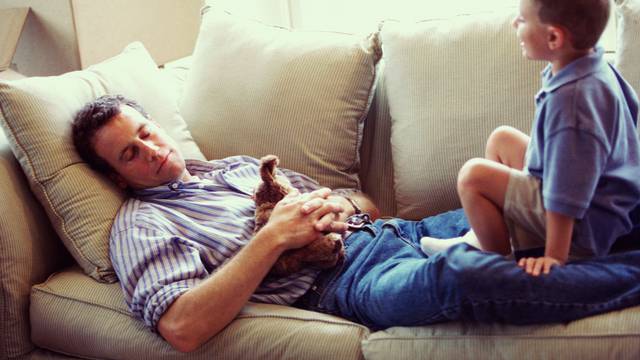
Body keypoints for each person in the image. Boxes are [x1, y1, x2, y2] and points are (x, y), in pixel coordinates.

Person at [71, 96, 640, 353]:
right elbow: (181, 326)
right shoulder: (140, 223)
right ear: (118, 178)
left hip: (398, 230)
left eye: (145, 131)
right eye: (128, 154)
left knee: (540, 207)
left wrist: (342, 206)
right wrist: (274, 238)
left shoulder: (234, 167)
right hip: (345, 285)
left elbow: (361, 200)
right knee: (464, 276)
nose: (148, 149)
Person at [421, 0, 640, 277]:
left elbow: (566, 193)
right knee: (503, 139)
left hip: (583, 227)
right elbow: (631, 113)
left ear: (553, 37)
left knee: (473, 176)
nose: (514, 23)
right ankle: (486, 235)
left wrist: (555, 257)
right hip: (594, 199)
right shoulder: (591, 63)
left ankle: (495, 258)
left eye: (522, 20)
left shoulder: (573, 101)